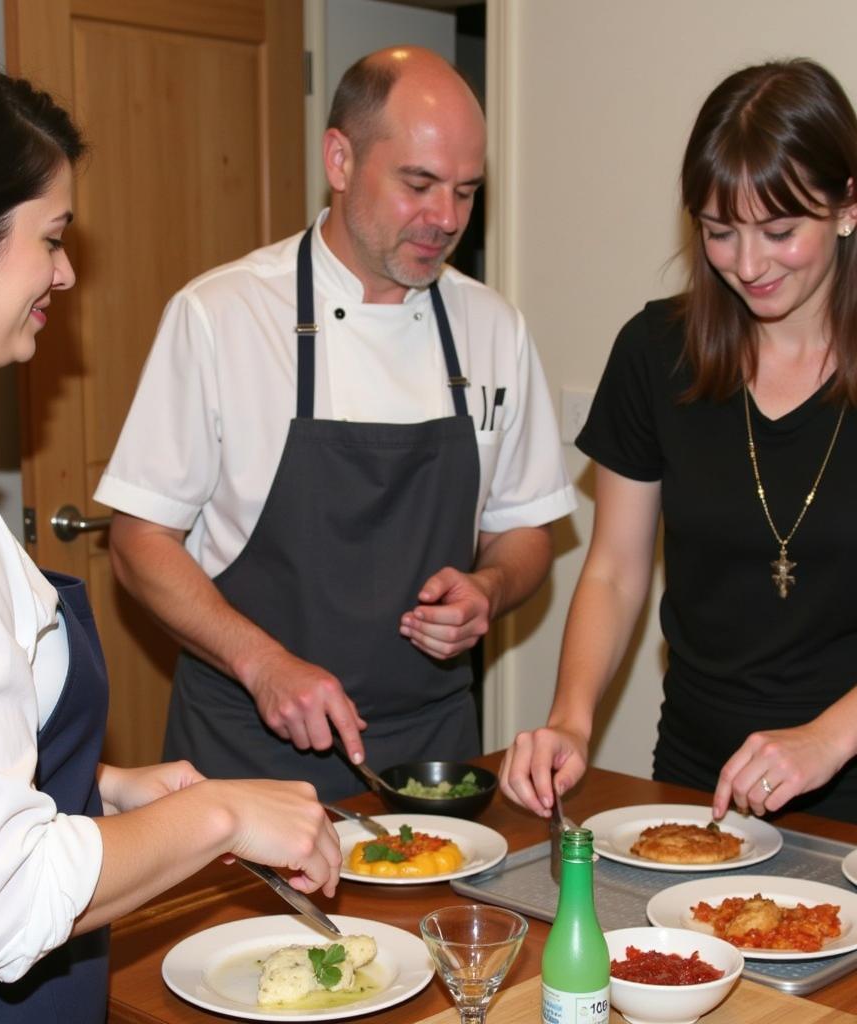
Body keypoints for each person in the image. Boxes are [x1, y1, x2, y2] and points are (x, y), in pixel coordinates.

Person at [0, 50, 340, 1024]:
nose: (65, 272)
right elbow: (4, 900)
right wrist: (223, 812)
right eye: (50, 237)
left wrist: (100, 785)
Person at [95, 46, 576, 801]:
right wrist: (262, 663)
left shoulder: (493, 328)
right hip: (243, 757)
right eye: (418, 185)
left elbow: (526, 531)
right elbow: (137, 541)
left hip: (429, 759)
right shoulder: (223, 316)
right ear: (340, 159)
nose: (445, 219)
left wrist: (488, 587)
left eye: (466, 192)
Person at [501, 58, 857, 825]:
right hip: (698, 783)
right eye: (720, 232)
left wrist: (829, 737)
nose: (749, 265)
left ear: (848, 207)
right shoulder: (654, 352)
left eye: (781, 230)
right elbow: (615, 572)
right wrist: (570, 716)